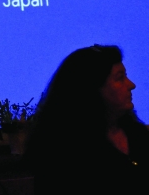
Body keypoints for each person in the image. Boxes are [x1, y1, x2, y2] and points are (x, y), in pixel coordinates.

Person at [26, 45, 149, 193]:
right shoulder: (63, 154)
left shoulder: (138, 135)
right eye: (120, 78)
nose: (131, 85)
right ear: (91, 89)